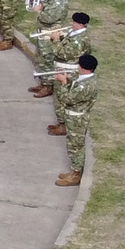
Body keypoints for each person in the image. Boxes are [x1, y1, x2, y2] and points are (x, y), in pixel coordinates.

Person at [49, 55, 98, 188]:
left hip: (77, 119)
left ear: (83, 67)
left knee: (75, 146)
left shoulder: (86, 86)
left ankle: (76, 174)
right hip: (73, 117)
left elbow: (67, 99)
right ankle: (73, 170)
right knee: (72, 144)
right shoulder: (84, 79)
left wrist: (63, 83)